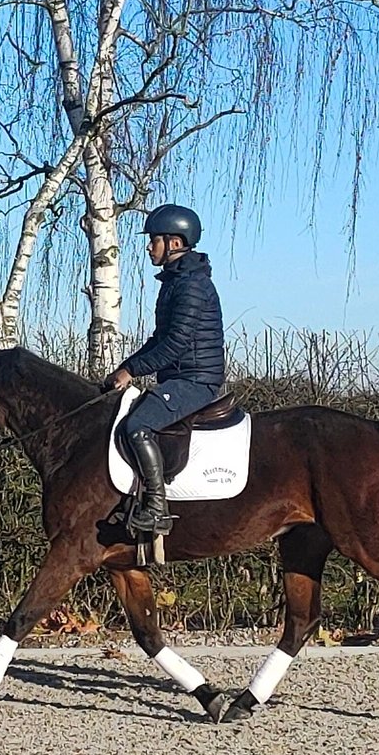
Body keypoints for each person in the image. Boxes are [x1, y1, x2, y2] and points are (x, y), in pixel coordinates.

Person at [102, 204, 226, 534]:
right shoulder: (175, 282)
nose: (148, 246)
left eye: (153, 239)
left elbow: (176, 345)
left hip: (197, 380)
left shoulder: (191, 286)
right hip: (181, 376)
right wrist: (125, 367)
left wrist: (134, 372)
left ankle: (156, 507)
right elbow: (159, 339)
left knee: (138, 425)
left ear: (173, 243)